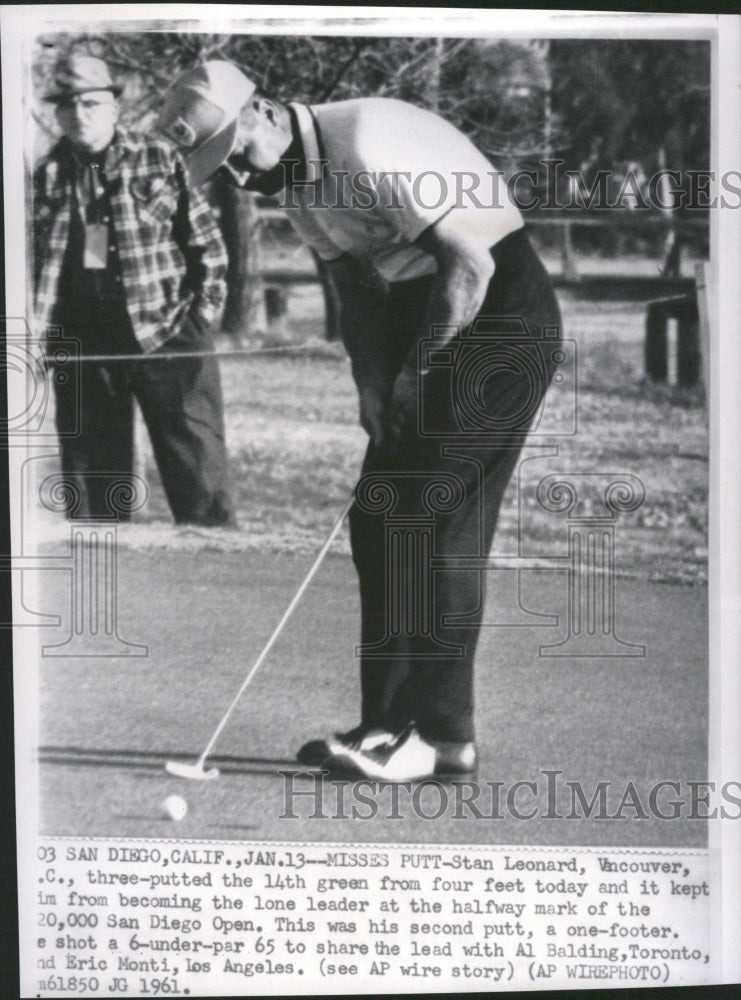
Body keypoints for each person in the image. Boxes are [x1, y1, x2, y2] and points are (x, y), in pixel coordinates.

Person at [159, 61, 562, 780]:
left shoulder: (365, 138)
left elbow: (468, 267)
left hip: (499, 314)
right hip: (429, 319)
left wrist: (419, 372)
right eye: (218, 169)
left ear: (264, 114)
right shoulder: (294, 184)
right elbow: (354, 284)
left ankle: (436, 736)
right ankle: (384, 725)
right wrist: (374, 386)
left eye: (234, 155)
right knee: (379, 519)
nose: (238, 178)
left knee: (433, 515)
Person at [34, 54, 236, 526]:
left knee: (199, 472)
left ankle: (222, 579)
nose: (78, 115)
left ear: (113, 108)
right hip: (85, 339)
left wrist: (201, 314)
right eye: (66, 106)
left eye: (90, 103)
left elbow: (205, 242)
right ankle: (113, 585)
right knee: (93, 485)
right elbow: (33, 268)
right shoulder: (44, 176)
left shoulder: (159, 156)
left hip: (167, 329)